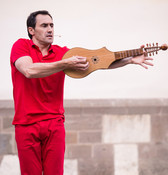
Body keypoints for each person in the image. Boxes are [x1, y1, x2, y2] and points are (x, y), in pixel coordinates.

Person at [10, 10, 153, 175]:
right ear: (31, 30)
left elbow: (97, 61)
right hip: (26, 124)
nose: (50, 29)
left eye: (52, 25)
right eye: (44, 26)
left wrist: (129, 60)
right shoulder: (21, 46)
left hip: (54, 123)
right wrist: (64, 63)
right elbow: (29, 70)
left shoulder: (63, 53)